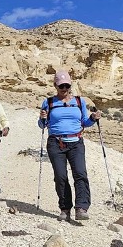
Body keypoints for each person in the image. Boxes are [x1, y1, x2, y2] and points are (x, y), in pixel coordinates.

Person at [37, 70, 101, 221]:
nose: (64, 89)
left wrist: (92, 118)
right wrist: (42, 118)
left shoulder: (79, 102)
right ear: (55, 86)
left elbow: (85, 122)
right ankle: (65, 209)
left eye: (67, 86)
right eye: (61, 86)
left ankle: (81, 208)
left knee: (80, 173)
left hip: (76, 142)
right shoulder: (49, 102)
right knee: (60, 176)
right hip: (55, 143)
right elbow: (42, 125)